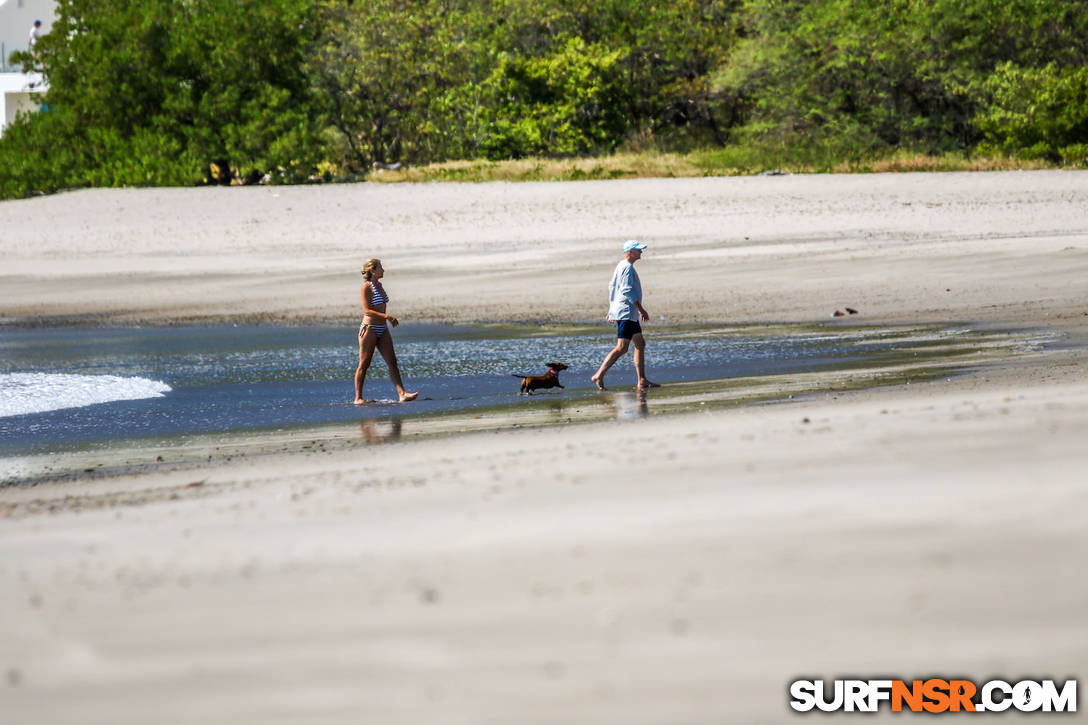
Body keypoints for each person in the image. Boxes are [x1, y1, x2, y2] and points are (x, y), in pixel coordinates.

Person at [591, 240, 659, 391]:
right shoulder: (626, 267)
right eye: (638, 250)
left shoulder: (622, 265)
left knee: (640, 343)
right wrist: (641, 309)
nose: (641, 252)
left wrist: (612, 309)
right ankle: (598, 375)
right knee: (622, 348)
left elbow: (612, 287)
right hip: (627, 312)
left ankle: (642, 380)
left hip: (627, 312)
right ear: (630, 252)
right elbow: (626, 290)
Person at [353, 258, 418, 404]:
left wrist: (385, 319)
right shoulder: (367, 287)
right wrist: (387, 316)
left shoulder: (380, 285)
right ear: (373, 270)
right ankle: (358, 398)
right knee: (364, 364)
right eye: (381, 268)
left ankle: (402, 394)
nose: (383, 270)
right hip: (369, 329)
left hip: (382, 328)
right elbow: (367, 310)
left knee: (392, 362)